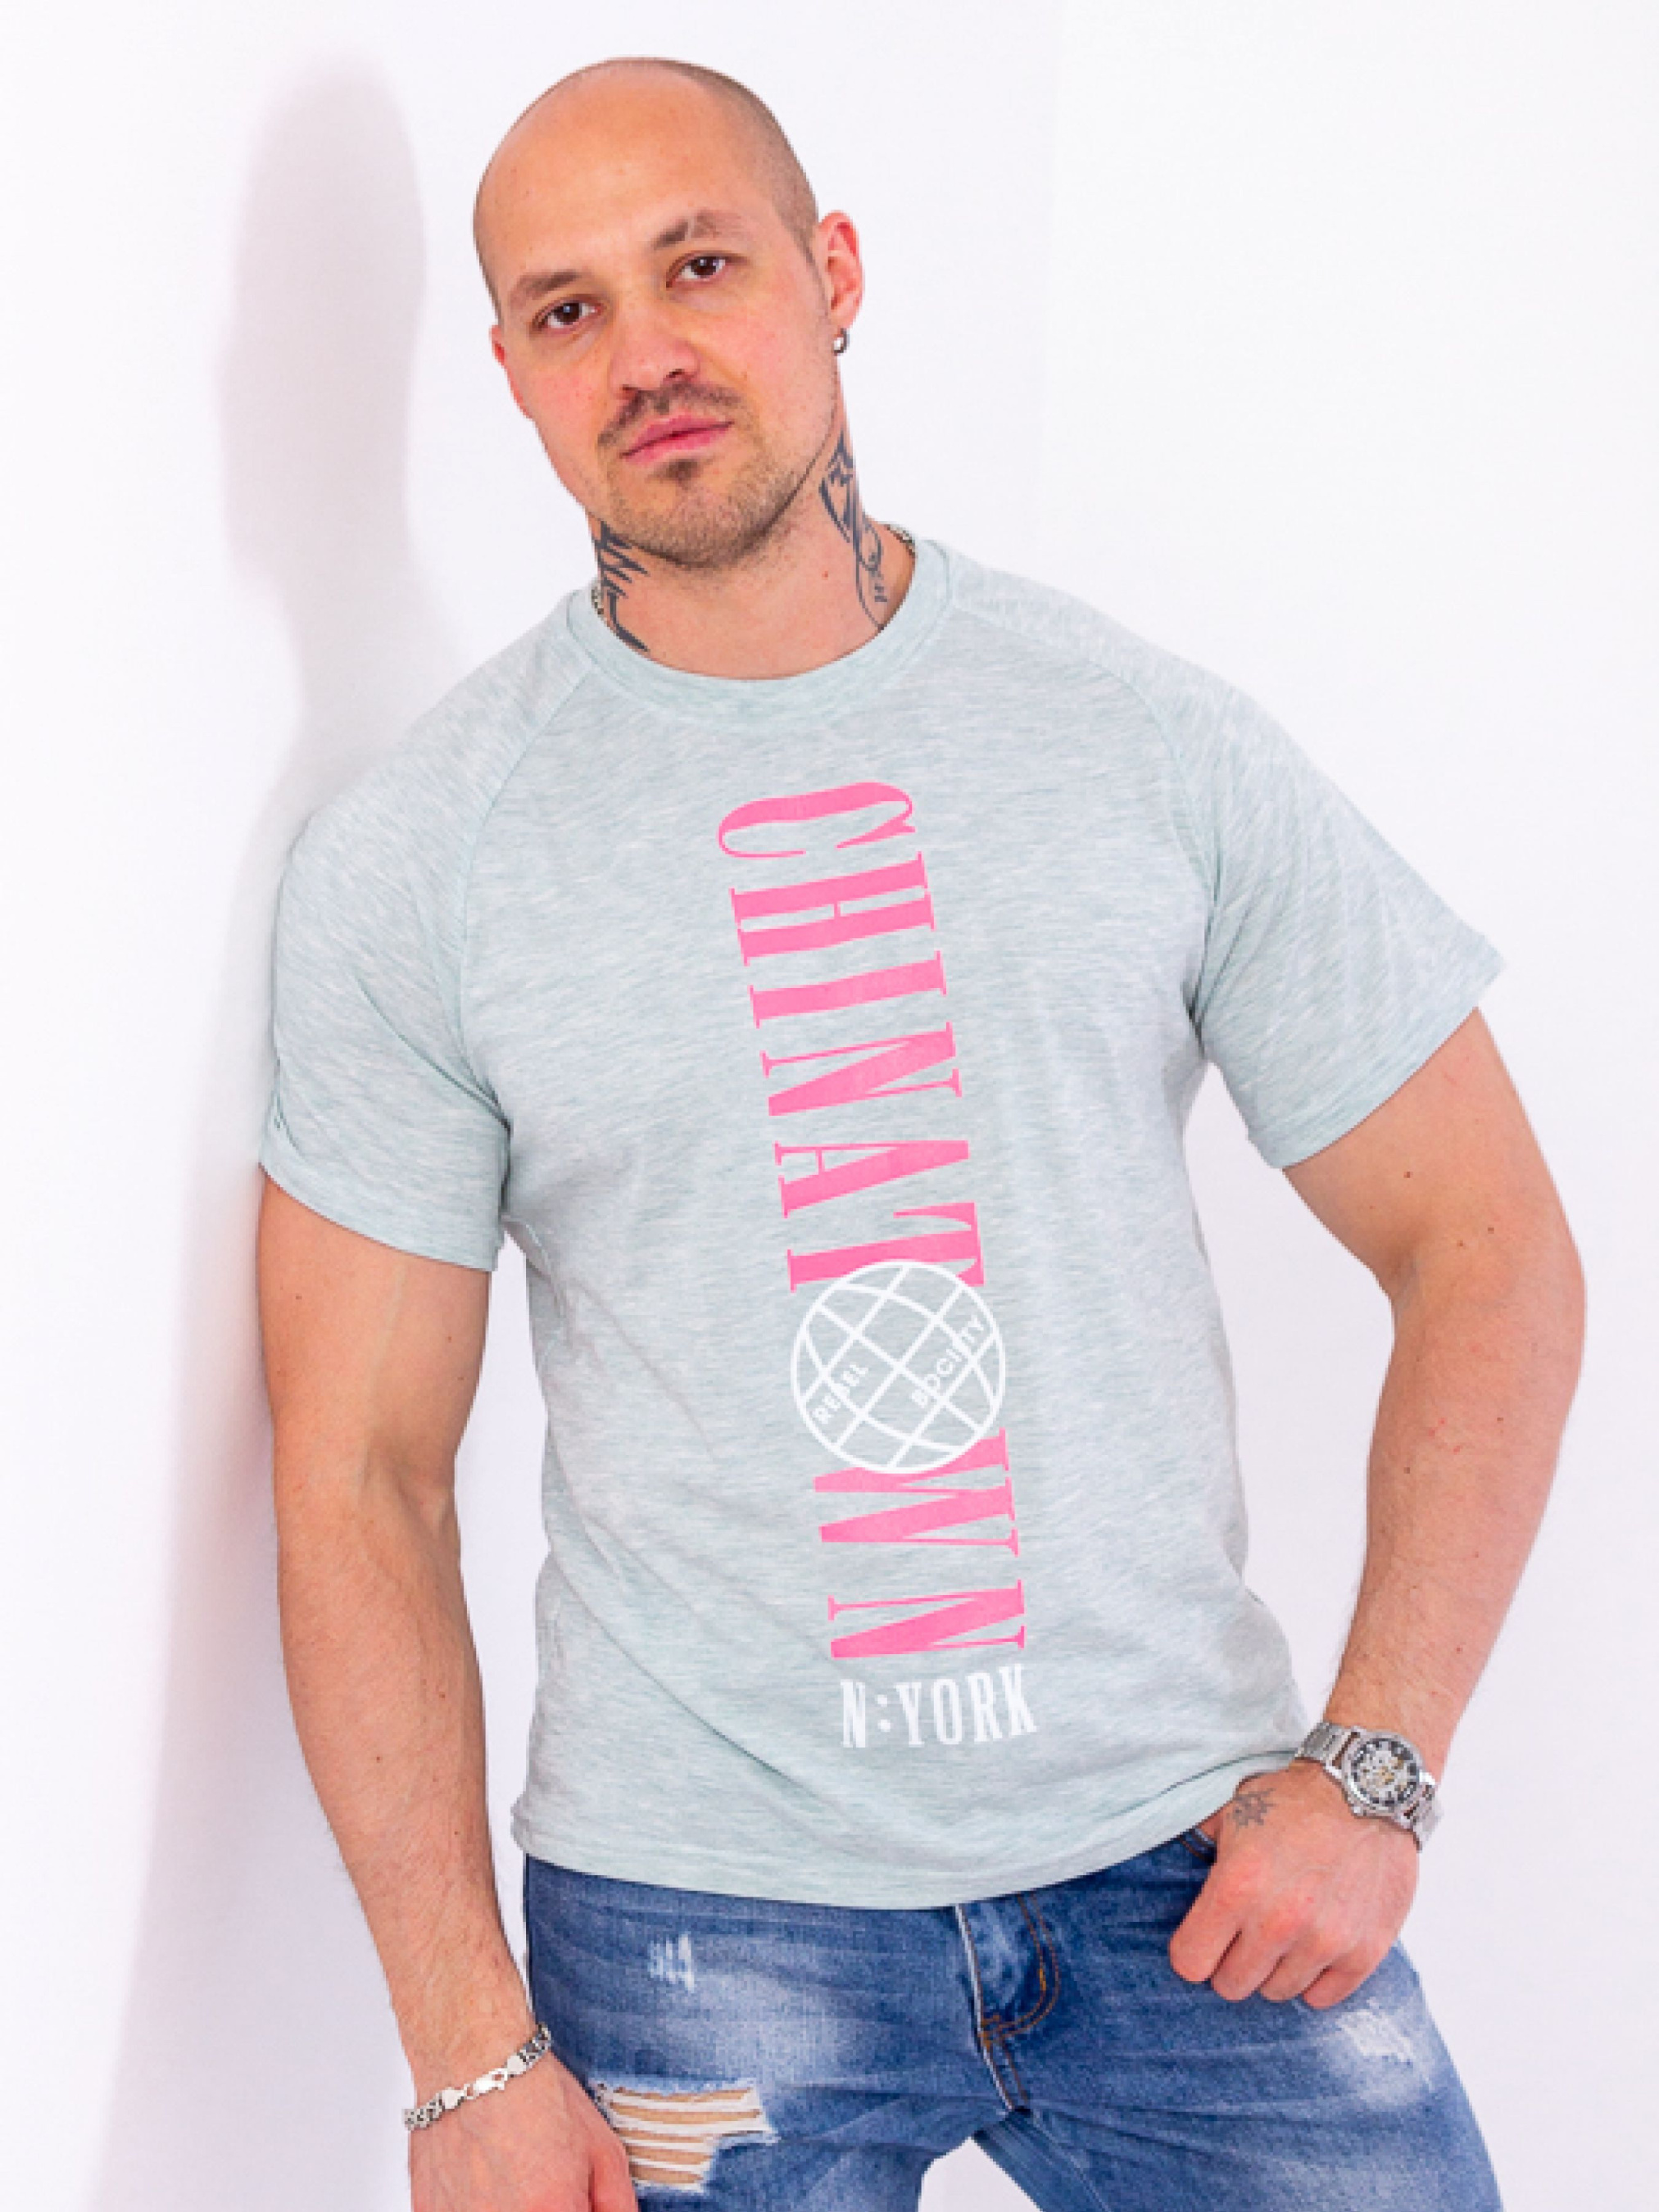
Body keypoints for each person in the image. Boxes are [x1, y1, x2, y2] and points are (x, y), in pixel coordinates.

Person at [255, 54, 1584, 2212]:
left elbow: (1487, 1241)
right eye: (569, 308)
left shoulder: (1135, 738)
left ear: (835, 273)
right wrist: (459, 2053)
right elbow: (359, 1476)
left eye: (700, 266)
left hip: (1190, 1875)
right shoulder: (426, 858)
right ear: (508, 371)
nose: (645, 353)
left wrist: (1378, 1765)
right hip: (699, 1924)